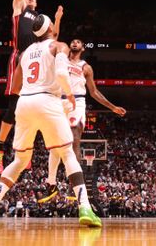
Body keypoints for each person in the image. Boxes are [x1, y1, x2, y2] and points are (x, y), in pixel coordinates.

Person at [0, 14, 102, 228]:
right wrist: (69, 94)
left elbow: (15, 88)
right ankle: (85, 208)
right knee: (67, 154)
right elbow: (63, 74)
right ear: (50, 27)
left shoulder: (25, 53)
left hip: (24, 104)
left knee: (19, 160)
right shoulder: (58, 46)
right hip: (49, 101)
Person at [0, 0, 62, 175]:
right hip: (20, 57)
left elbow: (53, 40)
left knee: (32, 107)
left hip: (38, 60)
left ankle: (22, 152)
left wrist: (59, 21)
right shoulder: (19, 10)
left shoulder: (40, 20)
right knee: (13, 106)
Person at [39, 38, 126, 202]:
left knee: (74, 139)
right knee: (54, 146)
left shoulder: (86, 67)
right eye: (73, 41)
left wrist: (112, 107)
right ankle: (51, 184)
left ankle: (74, 185)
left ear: (83, 48)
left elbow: (94, 92)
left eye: (78, 42)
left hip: (77, 102)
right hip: (58, 100)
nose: (75, 43)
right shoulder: (61, 59)